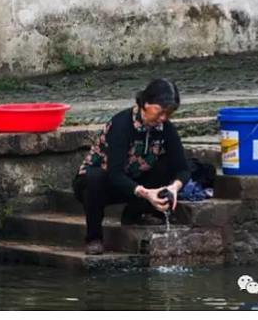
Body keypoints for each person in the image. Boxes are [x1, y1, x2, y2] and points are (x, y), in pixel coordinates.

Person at [73, 78, 191, 255]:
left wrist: (174, 187)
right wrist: (146, 193)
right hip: (106, 182)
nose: (163, 118)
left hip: (136, 180)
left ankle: (133, 215)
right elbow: (115, 173)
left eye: (169, 114)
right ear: (145, 103)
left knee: (166, 164)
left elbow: (184, 168)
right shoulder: (121, 125)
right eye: (160, 112)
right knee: (94, 179)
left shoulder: (166, 128)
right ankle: (94, 237)